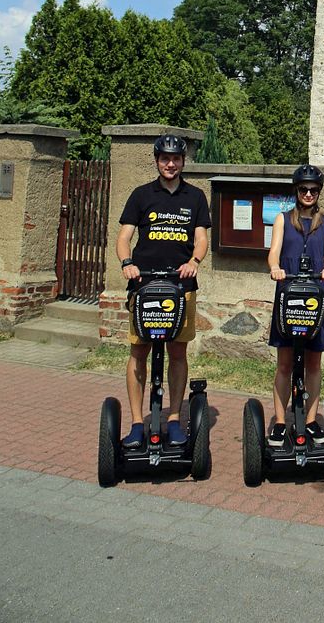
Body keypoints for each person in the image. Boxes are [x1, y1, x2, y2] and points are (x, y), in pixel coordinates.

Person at [116, 134, 211, 448]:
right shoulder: (141, 195)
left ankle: (172, 419)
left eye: (176, 159)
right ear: (157, 160)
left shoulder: (195, 197)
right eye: (165, 158)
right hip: (144, 285)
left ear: (183, 161)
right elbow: (124, 237)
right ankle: (134, 423)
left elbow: (201, 239)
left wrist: (194, 261)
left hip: (181, 286)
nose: (170, 164)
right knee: (138, 352)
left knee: (178, 353)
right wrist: (127, 263)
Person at [266, 164, 324, 446]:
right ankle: (281, 423)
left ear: (319, 192)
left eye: (314, 190)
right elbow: (274, 253)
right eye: (304, 189)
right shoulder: (283, 219)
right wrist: (275, 268)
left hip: (315, 296)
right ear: (296, 191)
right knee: (284, 363)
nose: (309, 194)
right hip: (289, 294)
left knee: (313, 363)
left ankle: (310, 421)